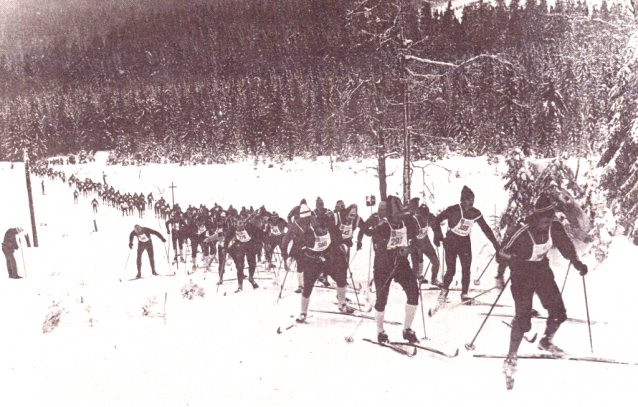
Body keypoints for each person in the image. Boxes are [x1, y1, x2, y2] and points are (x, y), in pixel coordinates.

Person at [497, 193, 588, 382]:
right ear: (537, 218)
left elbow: (565, 246)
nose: (546, 225)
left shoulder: (554, 227)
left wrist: (577, 263)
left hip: (541, 271)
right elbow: (501, 253)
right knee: (523, 320)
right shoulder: (522, 230)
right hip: (521, 274)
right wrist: (506, 267)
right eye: (544, 221)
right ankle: (511, 357)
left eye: (550, 220)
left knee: (559, 312)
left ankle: (546, 341)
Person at [281, 202, 350, 323]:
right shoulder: (301, 229)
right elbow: (296, 244)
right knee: (308, 286)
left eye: (310, 218)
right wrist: (290, 257)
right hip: (312, 260)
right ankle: (303, 313)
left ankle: (342, 304)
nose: (309, 221)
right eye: (306, 219)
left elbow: (334, 231)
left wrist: (341, 244)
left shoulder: (322, 221)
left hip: (327, 257)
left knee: (341, 278)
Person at [364, 196, 420, 344]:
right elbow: (378, 246)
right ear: (389, 213)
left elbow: (413, 241)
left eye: (400, 211)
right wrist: (394, 251)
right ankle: (380, 331)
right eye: (395, 212)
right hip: (384, 266)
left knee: (414, 292)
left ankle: (407, 329)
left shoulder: (406, 223)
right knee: (382, 299)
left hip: (401, 264)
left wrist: (408, 249)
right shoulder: (383, 226)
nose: (398, 215)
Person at [433, 186, 500, 302]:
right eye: (468, 200)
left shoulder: (475, 212)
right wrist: (437, 234)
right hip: (451, 240)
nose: (471, 203)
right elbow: (436, 220)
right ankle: (444, 291)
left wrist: (495, 243)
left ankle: (464, 294)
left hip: (464, 241)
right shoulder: (453, 210)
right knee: (451, 269)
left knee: (466, 268)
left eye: (472, 200)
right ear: (462, 200)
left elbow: (485, 228)